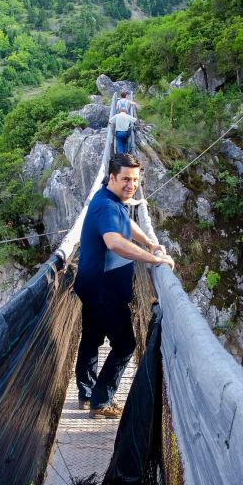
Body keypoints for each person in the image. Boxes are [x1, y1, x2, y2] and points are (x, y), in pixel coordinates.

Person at [73, 153, 175, 419]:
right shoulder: (108, 206)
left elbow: (127, 222)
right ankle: (101, 401)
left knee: (92, 338)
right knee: (125, 345)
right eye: (126, 179)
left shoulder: (108, 198)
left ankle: (86, 393)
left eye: (135, 180)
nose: (132, 185)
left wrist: (149, 242)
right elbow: (115, 242)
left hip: (93, 284)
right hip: (103, 290)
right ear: (111, 178)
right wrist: (154, 258)